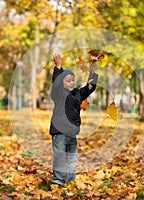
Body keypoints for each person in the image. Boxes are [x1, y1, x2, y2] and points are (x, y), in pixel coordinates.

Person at [50, 53, 98, 187]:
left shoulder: (77, 93)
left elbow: (90, 87)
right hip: (59, 131)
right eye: (68, 80)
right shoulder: (59, 94)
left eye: (73, 80)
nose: (72, 82)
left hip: (72, 133)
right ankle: (58, 179)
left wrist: (92, 71)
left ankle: (69, 179)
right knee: (60, 157)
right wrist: (58, 67)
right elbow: (56, 84)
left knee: (72, 158)